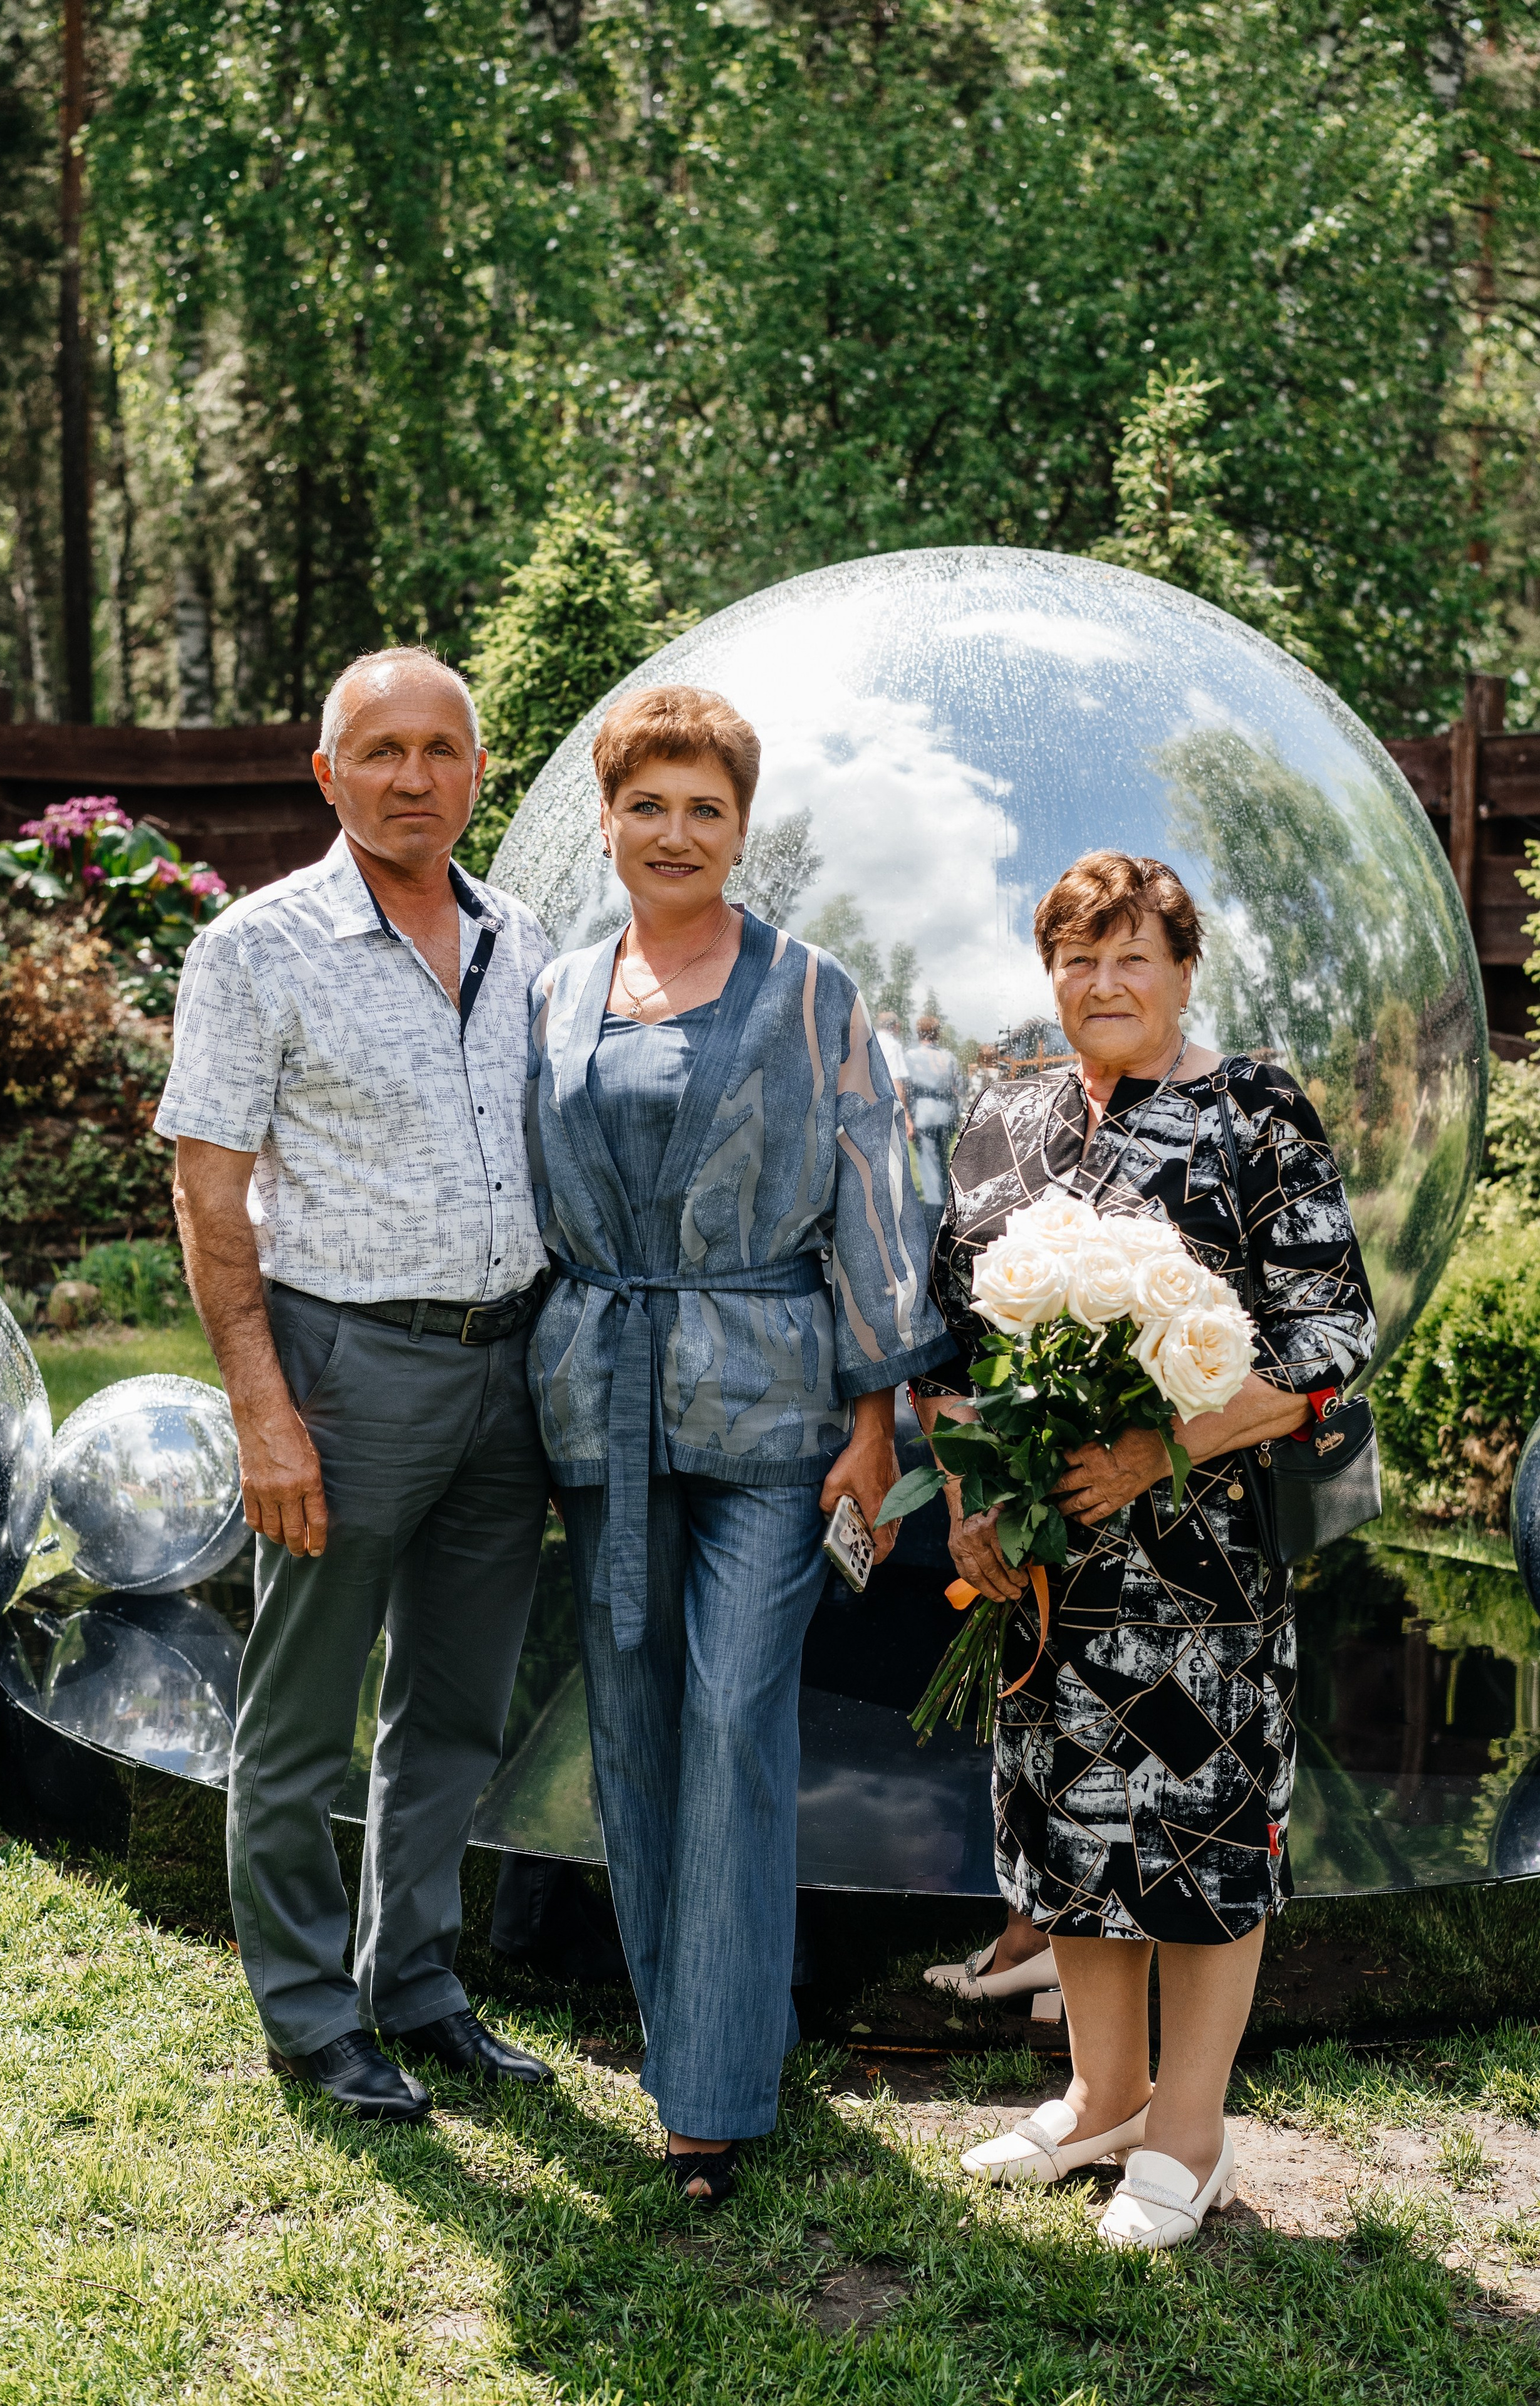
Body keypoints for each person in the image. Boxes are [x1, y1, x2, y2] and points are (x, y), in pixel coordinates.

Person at [526, 683, 953, 2202]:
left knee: (727, 1716)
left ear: (740, 828)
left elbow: (873, 1202)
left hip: (774, 1409)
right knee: (635, 1728)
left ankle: (709, 2102)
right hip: (603, 1406)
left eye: (704, 806)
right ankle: (700, 2034)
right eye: (647, 803)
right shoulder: (561, 991)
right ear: (605, 818)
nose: (674, 831)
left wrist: (871, 1421)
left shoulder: (807, 990)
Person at [913, 850, 1374, 2247]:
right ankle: (1100, 2095)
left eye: (1131, 956)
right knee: (1068, 1825)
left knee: (1196, 1829)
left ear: (1181, 971)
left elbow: (1325, 1347)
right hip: (1040, 1571)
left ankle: (1188, 2133)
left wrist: (1151, 1451)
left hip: (1196, 1565)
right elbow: (946, 1344)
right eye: (1075, 955)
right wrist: (968, 1501)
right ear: (1046, 971)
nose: (1101, 982)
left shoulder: (1252, 1113)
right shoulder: (1002, 1115)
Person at [157, 646, 556, 2122]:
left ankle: (420, 1982)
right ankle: (310, 2011)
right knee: (302, 1710)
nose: (411, 776)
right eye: (378, 749)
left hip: (505, 1369)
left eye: (438, 748)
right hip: (342, 1370)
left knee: (453, 1705)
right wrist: (264, 1411)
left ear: (474, 768)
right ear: (327, 773)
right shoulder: (254, 947)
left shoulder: (527, 936)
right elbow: (208, 1204)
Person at [905, 1013, 964, 1202]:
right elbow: (960, 1087)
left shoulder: (911, 1056)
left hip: (923, 1116)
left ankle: (935, 1217)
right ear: (937, 1034)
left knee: (929, 1169)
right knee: (943, 1163)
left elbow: (905, 1088)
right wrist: (956, 1113)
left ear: (918, 1033)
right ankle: (948, 1205)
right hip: (946, 1115)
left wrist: (908, 1118)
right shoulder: (948, 1056)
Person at [875, 1010, 912, 1135]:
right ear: (896, 1026)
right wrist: (905, 1115)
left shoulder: (870, 1039)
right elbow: (897, 1081)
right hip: (885, 1107)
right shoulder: (893, 1046)